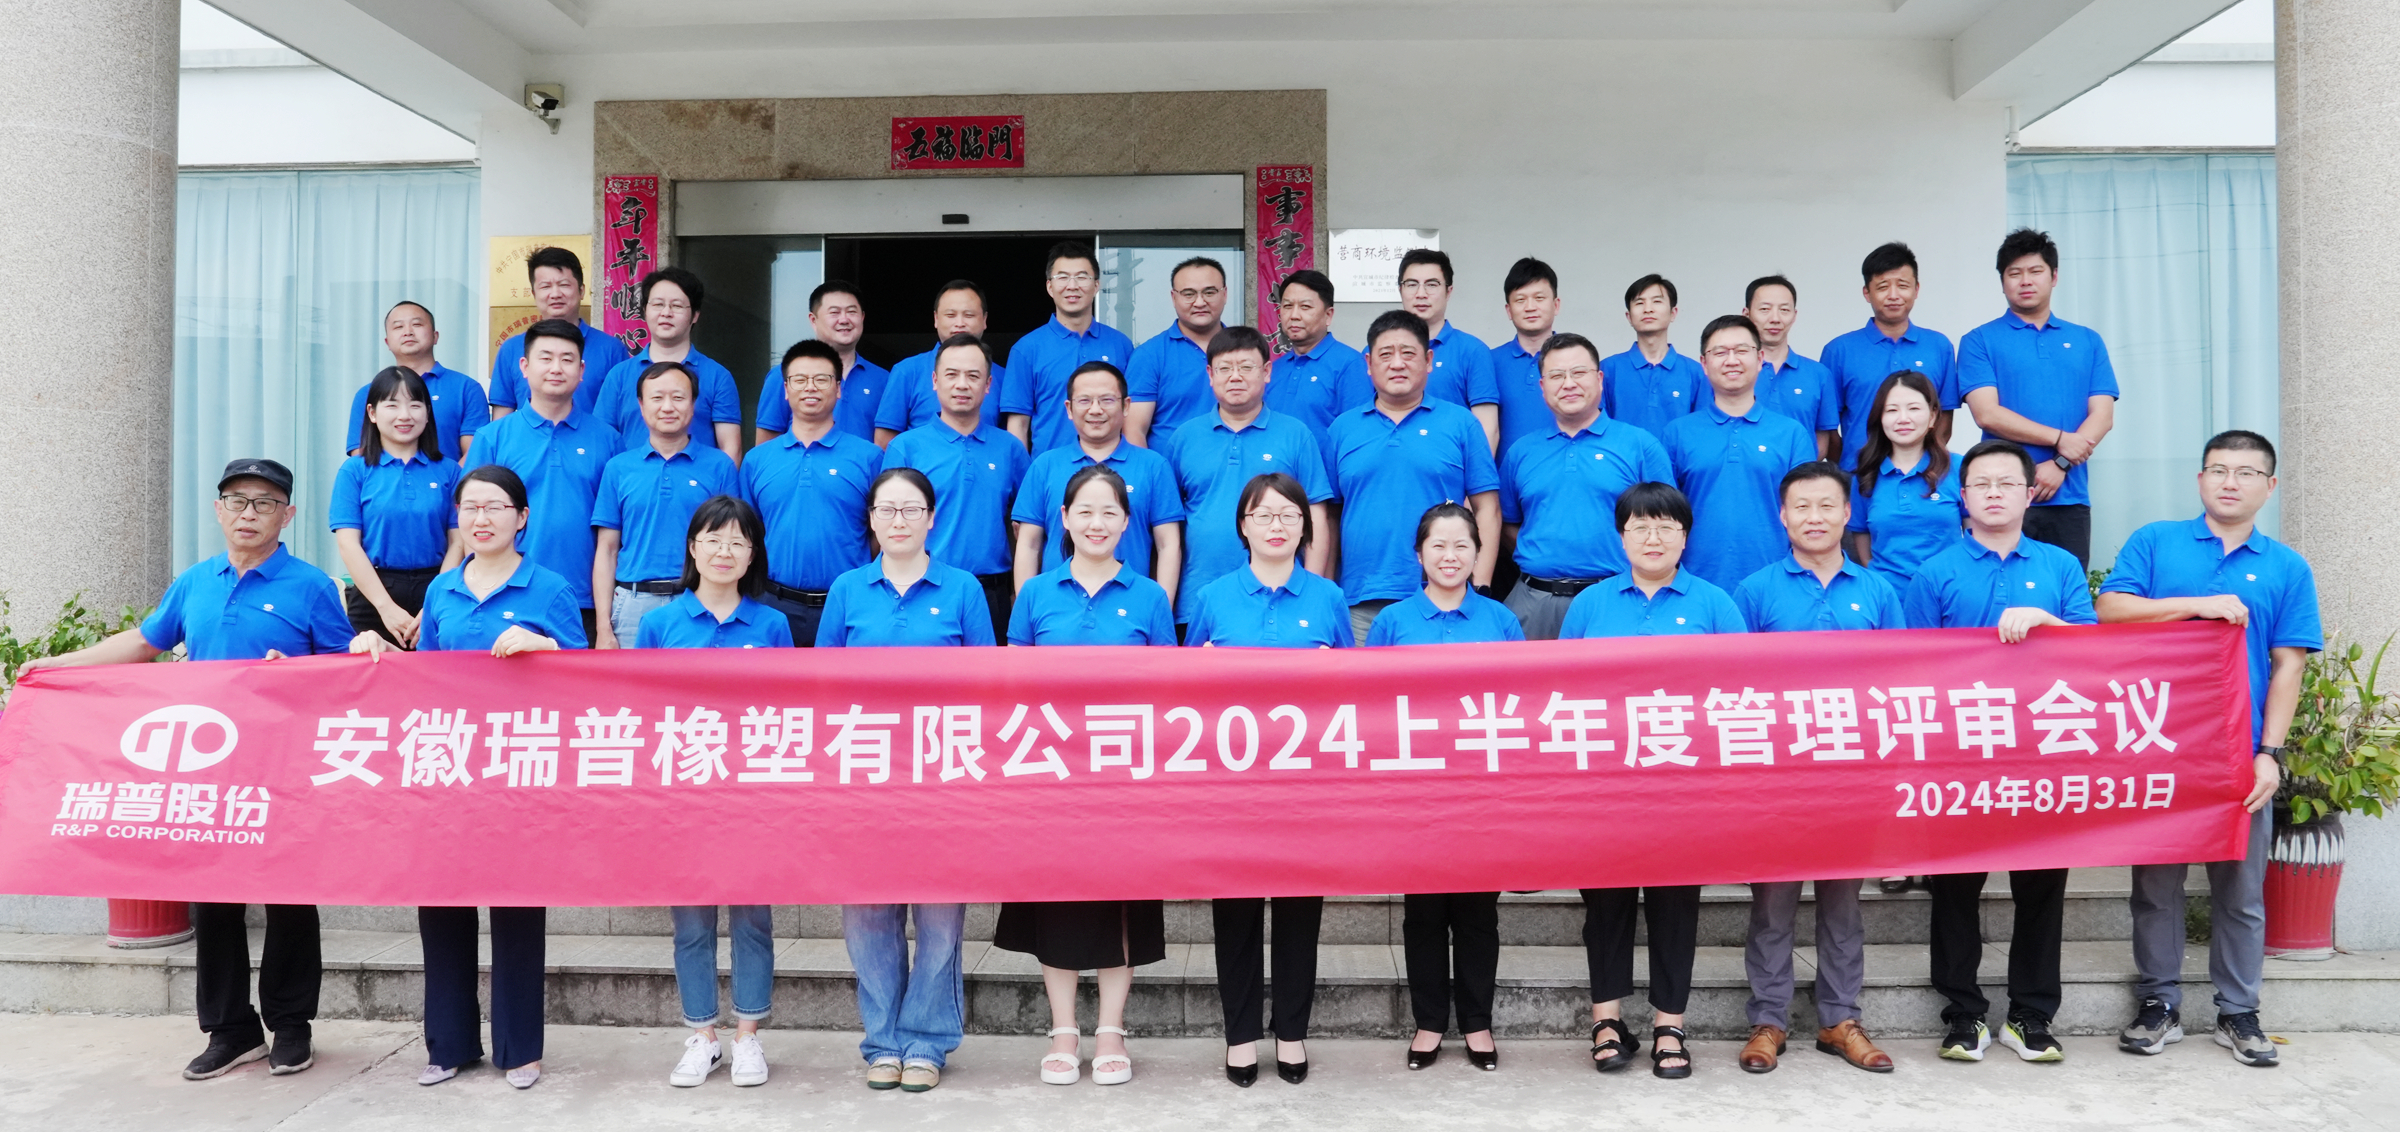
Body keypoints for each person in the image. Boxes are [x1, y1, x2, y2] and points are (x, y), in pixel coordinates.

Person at [23, 457, 350, 1082]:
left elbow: (344, 671)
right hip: (208, 770)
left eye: (264, 502)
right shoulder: (195, 581)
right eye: (237, 500)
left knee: (289, 899)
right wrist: (59, 666)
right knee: (215, 902)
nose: (249, 513)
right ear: (219, 509)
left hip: (283, 769)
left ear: (288, 515)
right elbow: (144, 643)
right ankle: (231, 1031)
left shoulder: (311, 586)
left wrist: (297, 672)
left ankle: (291, 1026)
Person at [349, 464, 585, 1091]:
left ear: (522, 518)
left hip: (519, 770)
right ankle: (449, 1044)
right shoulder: (442, 590)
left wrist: (545, 648)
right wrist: (379, 654)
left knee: (516, 910)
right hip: (448, 769)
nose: (481, 519)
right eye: (470, 507)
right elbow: (425, 677)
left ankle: (520, 1048)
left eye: (495, 507)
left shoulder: (550, 589)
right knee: (442, 905)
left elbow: (586, 679)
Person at [2100, 430, 2320, 1068]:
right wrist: (2197, 606)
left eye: (2246, 472)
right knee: (2156, 886)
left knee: (2241, 891)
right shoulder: (2156, 542)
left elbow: (2288, 665)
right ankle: (2159, 1003)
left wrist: (2269, 752)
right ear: (2200, 479)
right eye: (2219, 469)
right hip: (2158, 745)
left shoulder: (2286, 567)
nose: (2230, 482)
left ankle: (2239, 1011)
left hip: (2238, 753)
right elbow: (2110, 609)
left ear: (2268, 487)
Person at [1902, 439, 2096, 1065]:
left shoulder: (2060, 567)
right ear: (1962, 496)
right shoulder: (1934, 573)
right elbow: (1912, 669)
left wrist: (2047, 621)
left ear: (2028, 492)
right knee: (1954, 887)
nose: (1993, 493)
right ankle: (1962, 1013)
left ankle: (2031, 1014)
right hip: (1960, 752)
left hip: (2043, 750)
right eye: (1980, 483)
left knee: (2041, 886)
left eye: (2006, 483)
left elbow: (2096, 656)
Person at [1557, 481, 1745, 1080]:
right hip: (1605, 786)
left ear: (1685, 537)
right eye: (1640, 526)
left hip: (1683, 788)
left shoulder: (1715, 604)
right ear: (1622, 537)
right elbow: (1562, 692)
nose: (1653, 537)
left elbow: (1741, 693)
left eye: (1666, 526)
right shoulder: (1590, 605)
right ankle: (1607, 1021)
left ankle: (1670, 1025)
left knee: (1674, 908)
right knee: (1605, 906)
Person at [818, 467, 994, 1093]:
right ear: (870, 518)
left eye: (911, 509)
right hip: (864, 772)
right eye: (887, 509)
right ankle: (882, 1041)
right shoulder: (847, 589)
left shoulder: (964, 588)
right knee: (868, 915)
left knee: (940, 916)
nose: (899, 520)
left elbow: (986, 687)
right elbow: (822, 686)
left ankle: (926, 1040)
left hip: (942, 773)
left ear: (931, 518)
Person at [998, 464, 1175, 1087]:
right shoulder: (1035, 594)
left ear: (1127, 523)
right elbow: (1013, 684)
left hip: (1125, 775)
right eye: (1085, 512)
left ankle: (1111, 1031)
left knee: (1121, 900)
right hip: (1051, 773)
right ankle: (1063, 1030)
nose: (1097, 523)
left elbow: (1166, 692)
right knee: (1059, 902)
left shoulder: (1150, 597)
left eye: (1109, 513)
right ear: (1064, 520)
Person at [1728, 463, 1905, 1075]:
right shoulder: (1754, 591)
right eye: (1801, 506)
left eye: (1827, 505)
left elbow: (1899, 680)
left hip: (1853, 772)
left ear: (1847, 513)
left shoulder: (1878, 591)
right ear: (1782, 516)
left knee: (1842, 903)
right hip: (1778, 772)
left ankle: (1839, 1019)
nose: (1815, 517)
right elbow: (1734, 687)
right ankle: (1768, 1021)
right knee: (1772, 902)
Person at [1180, 472, 1350, 1087]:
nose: (1276, 526)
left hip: (1307, 787)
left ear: (1305, 527)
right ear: (1243, 527)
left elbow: (1356, 696)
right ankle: (1241, 1035)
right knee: (1237, 915)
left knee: (1301, 913)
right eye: (1263, 515)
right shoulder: (1212, 598)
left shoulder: (1328, 598)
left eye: (1288, 516)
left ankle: (1293, 1032)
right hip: (1233, 788)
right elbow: (1186, 695)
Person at [634, 496, 792, 1089]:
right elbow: (643, 711)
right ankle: (702, 1036)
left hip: (752, 794)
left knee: (752, 920)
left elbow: (787, 713)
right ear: (692, 548)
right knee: (692, 924)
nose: (724, 552)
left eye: (737, 542)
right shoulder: (660, 624)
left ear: (752, 555)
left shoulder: (771, 625)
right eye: (713, 539)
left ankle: (748, 1036)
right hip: (684, 796)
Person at [1366, 503, 1520, 1072]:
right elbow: (1371, 705)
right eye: (1439, 545)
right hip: (1417, 791)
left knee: (1478, 914)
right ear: (1419, 554)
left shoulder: (1501, 621)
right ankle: (1429, 1022)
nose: (1450, 556)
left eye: (1462, 546)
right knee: (1424, 914)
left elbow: (1520, 703)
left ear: (1478, 554)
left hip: (1483, 791)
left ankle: (1477, 1023)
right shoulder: (1392, 622)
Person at [1329, 309, 1502, 641]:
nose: (1397, 363)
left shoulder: (1461, 423)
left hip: (1444, 600)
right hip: (1359, 603)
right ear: (1368, 363)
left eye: (1408, 353)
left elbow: (1488, 509)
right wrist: (1326, 591)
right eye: (1385, 354)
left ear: (1428, 360)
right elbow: (1328, 518)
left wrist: (1479, 585)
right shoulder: (1342, 429)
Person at [1959, 228, 2119, 567]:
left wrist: (2060, 464)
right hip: (2001, 497)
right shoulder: (1979, 340)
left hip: (2069, 495)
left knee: (2066, 592)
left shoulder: (2087, 340)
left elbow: (2102, 416)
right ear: (2002, 281)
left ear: (2054, 276)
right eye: (2014, 273)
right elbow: (1987, 414)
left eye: (2035, 271)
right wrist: (2060, 439)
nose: (2025, 281)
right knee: (1996, 590)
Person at [1497, 332, 1671, 640]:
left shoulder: (1640, 446)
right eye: (1557, 376)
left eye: (1579, 372)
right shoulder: (1521, 452)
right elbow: (1509, 525)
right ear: (1542, 387)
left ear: (1599, 379)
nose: (1569, 384)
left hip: (1616, 600)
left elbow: (1668, 524)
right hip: (1534, 602)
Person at [1161, 325, 1335, 628]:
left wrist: (1311, 592)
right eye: (1224, 368)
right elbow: (1167, 528)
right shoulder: (1184, 438)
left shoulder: (1295, 435)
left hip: (1283, 599)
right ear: (1210, 374)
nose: (1235, 376)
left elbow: (1316, 518)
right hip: (1197, 597)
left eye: (1246, 367)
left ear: (1266, 372)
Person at [464, 318, 623, 639]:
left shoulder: (608, 440)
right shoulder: (492, 438)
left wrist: (604, 622)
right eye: (546, 358)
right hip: (506, 595)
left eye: (567, 359)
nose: (556, 368)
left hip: (584, 598)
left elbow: (614, 533)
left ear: (581, 370)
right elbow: (470, 522)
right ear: (524, 366)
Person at [883, 334, 1029, 642]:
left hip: (992, 593)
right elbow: (886, 527)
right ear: (935, 381)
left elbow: (1028, 529)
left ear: (988, 385)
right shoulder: (906, 448)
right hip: (923, 590)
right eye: (951, 375)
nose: (962, 384)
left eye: (973, 376)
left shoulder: (1010, 449)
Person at [738, 339, 884, 645]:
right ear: (786, 389)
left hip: (849, 605)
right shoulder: (757, 460)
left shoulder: (869, 458)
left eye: (821, 379)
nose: (810, 388)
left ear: (839, 388)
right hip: (773, 604)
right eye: (800, 380)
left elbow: (878, 533)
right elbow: (748, 533)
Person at [1658, 314, 1818, 590]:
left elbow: (1807, 516)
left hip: (1777, 585)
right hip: (1693, 586)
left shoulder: (1791, 434)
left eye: (1742, 350)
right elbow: (1663, 516)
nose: (1731, 360)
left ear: (1760, 359)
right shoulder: (1677, 433)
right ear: (1704, 364)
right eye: (1720, 352)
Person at [591, 361, 740, 649]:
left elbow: (731, 543)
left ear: (693, 404)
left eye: (678, 397)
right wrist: (603, 627)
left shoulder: (719, 466)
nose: (668, 407)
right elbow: (607, 550)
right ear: (641, 405)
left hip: (698, 602)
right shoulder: (618, 468)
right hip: (632, 605)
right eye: (657, 398)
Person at [1011, 362, 1184, 602]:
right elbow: (1029, 545)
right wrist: (1026, 609)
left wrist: (1161, 609)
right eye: (1084, 401)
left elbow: (1168, 545)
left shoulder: (1154, 466)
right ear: (1069, 408)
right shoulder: (1045, 466)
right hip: (1055, 608)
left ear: (1126, 406)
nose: (1095, 410)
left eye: (1107, 400)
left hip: (1131, 607)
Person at [331, 366, 463, 647]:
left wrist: (435, 602)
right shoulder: (354, 471)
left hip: (437, 590)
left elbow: (459, 542)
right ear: (372, 413)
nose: (405, 415)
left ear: (427, 413)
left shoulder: (450, 471)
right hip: (373, 593)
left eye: (415, 405)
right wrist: (385, 607)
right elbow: (348, 544)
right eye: (392, 405)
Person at [1822, 242, 1958, 471]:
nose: (1893, 295)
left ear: (1916, 289)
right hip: (1859, 477)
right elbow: (1827, 428)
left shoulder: (1939, 346)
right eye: (1883, 287)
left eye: (1903, 286)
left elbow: (1944, 417)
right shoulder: (1838, 351)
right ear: (1867, 293)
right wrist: (1852, 467)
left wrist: (1926, 465)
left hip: (1922, 476)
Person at [593, 267, 743, 454]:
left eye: (677, 306)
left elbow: (730, 448)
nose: (666, 313)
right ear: (645, 310)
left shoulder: (717, 377)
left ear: (695, 315)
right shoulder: (618, 376)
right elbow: (600, 442)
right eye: (658, 304)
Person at [1004, 241, 1134, 454]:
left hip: (1111, 469)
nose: (1072, 286)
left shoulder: (1120, 345)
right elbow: (1018, 425)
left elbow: (1131, 416)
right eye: (1062, 277)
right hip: (1050, 470)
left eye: (1082, 277)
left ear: (1096, 285)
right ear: (1049, 286)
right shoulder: (1026, 349)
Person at [1846, 370, 1964, 588]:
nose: (1903, 419)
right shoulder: (1865, 475)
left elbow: (1976, 534)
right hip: (1888, 598)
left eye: (1913, 408)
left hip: (1949, 593)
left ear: (1932, 416)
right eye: (1892, 410)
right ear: (1880, 418)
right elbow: (1862, 541)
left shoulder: (1958, 468)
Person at [488, 245, 630, 419]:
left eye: (564, 285)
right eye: (545, 286)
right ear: (534, 293)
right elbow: (501, 418)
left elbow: (623, 415)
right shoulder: (511, 349)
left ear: (582, 291)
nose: (555, 294)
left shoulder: (611, 349)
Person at [345, 301, 489, 459]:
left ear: (435, 336)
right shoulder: (368, 393)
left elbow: (474, 455)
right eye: (398, 327)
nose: (408, 332)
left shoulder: (466, 389)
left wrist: (450, 475)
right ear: (387, 342)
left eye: (417, 324)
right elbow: (361, 457)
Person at [754, 281, 890, 445]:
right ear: (813, 320)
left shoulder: (884, 379)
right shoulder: (784, 374)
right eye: (834, 312)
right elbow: (766, 444)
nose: (844, 320)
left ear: (862, 317)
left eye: (851, 312)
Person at [1262, 269, 1371, 470]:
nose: (1294, 315)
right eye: (1287, 306)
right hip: (1275, 483)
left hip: (1326, 485)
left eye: (1305, 307)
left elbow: (1358, 436)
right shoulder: (1274, 369)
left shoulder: (1350, 364)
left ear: (1328, 315)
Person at [874, 280, 1008, 444]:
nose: (960, 324)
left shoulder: (1003, 377)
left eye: (969, 315)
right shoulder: (907, 371)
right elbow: (885, 440)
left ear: (985, 319)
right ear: (936, 318)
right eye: (950, 315)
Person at [1396, 248, 1500, 451]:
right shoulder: (1380, 352)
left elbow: (1487, 429)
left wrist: (1476, 472)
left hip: (1453, 467)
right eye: (1412, 284)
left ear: (1448, 291)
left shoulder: (1472, 351)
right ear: (1400, 290)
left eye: (1431, 285)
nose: (1421, 294)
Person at [1125, 256, 1230, 446]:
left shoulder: (1244, 351)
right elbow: (1133, 430)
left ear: (1225, 294)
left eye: (1209, 292)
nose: (1200, 302)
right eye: (1189, 294)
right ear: (1174, 298)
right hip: (1171, 465)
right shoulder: (1150, 355)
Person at [1599, 274, 1705, 441]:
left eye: (1657, 301)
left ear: (1673, 313)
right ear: (1629, 317)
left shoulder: (1695, 372)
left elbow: (1701, 431)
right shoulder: (1608, 369)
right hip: (1622, 458)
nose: (1648, 309)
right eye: (1639, 303)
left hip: (1677, 459)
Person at [1743, 275, 1839, 458]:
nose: (1775, 318)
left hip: (1801, 474)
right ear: (1746, 314)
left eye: (1784, 310)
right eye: (1764, 309)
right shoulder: (1732, 371)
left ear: (1794, 315)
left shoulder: (1819, 374)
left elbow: (1822, 440)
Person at [1489, 256, 1560, 458]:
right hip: (1505, 475)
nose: (1530, 307)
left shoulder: (1576, 361)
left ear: (1556, 305)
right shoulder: (1488, 362)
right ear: (1508, 310)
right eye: (1520, 300)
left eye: (1539, 298)